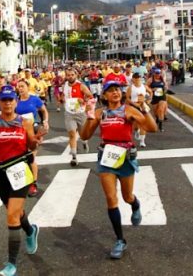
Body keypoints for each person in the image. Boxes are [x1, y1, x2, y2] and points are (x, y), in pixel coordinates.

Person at [79, 81, 157, 259]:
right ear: (104, 95)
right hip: (106, 157)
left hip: (126, 157)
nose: (115, 93)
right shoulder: (100, 113)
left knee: (127, 196)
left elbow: (151, 128)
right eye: (111, 91)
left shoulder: (128, 110)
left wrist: (144, 109)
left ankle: (135, 205)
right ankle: (120, 240)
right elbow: (84, 135)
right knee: (111, 199)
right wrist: (89, 117)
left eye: (117, 90)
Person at [0, 86, 44, 276]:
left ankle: (11, 264)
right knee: (16, 212)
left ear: (16, 102)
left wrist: (35, 141)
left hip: (20, 172)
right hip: (0, 175)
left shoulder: (25, 122)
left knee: (12, 216)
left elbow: (30, 145)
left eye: (10, 100)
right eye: (4, 100)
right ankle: (30, 231)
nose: (7, 103)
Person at [14, 80, 48, 197]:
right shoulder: (15, 101)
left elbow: (44, 111)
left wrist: (45, 121)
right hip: (19, 132)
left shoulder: (34, 99)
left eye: (22, 86)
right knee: (21, 158)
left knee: (31, 157)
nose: (20, 88)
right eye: (18, 87)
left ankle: (33, 184)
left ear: (28, 87)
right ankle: (23, 182)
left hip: (33, 130)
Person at [60, 68, 93, 163]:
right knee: (72, 134)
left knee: (83, 135)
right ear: (66, 76)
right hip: (69, 113)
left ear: (76, 75)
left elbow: (90, 96)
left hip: (80, 113)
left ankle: (84, 142)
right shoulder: (64, 85)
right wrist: (62, 99)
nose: (70, 77)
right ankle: (74, 157)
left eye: (72, 75)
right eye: (68, 75)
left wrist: (83, 100)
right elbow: (63, 96)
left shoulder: (81, 85)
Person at [126, 73, 152, 148]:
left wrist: (149, 100)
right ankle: (136, 130)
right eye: (136, 78)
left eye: (139, 77)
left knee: (143, 123)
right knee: (135, 125)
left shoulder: (144, 86)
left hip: (142, 106)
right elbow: (127, 98)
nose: (137, 79)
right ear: (133, 79)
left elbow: (150, 92)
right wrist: (133, 104)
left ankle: (142, 141)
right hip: (134, 106)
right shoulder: (130, 88)